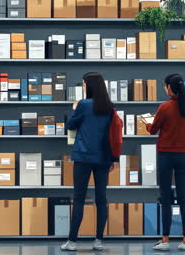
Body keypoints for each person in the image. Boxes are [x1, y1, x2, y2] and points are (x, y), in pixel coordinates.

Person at [61, 72, 115, 252]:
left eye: (84, 84)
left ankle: (72, 241)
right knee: (101, 199)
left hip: (83, 157)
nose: (83, 87)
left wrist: (74, 108)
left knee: (79, 198)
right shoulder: (109, 106)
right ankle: (99, 240)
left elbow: (70, 125)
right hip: (103, 158)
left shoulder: (83, 105)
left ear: (89, 86)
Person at [146, 74, 185, 251]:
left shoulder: (164, 107)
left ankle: (165, 240)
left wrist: (147, 123)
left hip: (165, 156)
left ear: (169, 87)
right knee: (183, 198)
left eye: (165, 86)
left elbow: (152, 130)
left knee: (166, 197)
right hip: (182, 155)